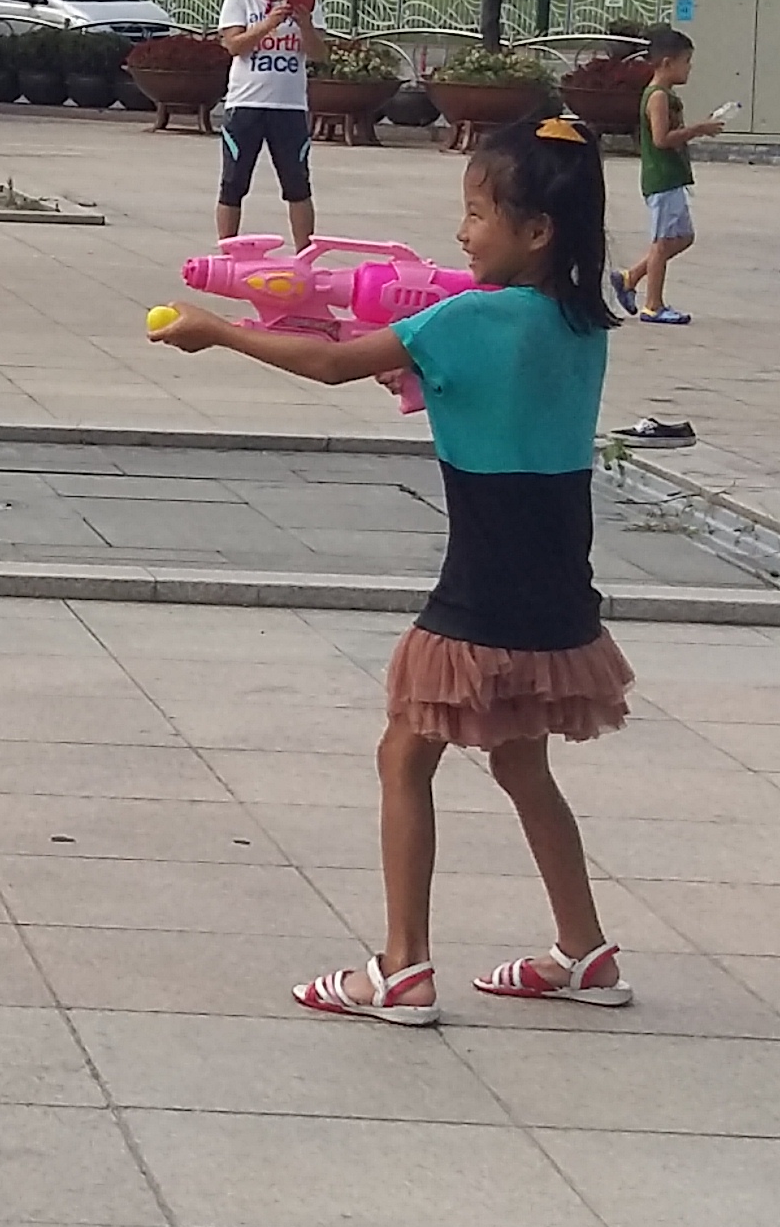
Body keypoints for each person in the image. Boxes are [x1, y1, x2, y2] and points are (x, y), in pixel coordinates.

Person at [152, 117, 638, 1026]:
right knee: (521, 762)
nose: (462, 232)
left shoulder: (469, 316)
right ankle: (585, 950)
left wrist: (218, 330)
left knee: (404, 754)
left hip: (482, 587)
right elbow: (498, 389)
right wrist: (423, 371)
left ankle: (401, 967)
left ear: (537, 230)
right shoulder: (582, 320)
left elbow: (332, 364)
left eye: (478, 214)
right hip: (559, 585)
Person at [612, 24, 728, 327]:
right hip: (661, 178)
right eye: (685, 61)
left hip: (672, 177)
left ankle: (630, 277)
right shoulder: (658, 96)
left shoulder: (666, 95)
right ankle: (653, 304)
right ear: (667, 62)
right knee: (662, 242)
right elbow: (661, 139)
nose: (689, 68)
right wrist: (698, 129)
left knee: (683, 237)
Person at [214, 0, 319, 245]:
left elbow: (319, 53)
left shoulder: (306, 3)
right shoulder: (240, 0)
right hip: (246, 104)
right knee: (233, 182)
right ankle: (228, 251)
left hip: (289, 106)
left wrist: (305, 23)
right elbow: (234, 45)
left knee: (297, 184)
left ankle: (304, 254)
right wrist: (268, 23)